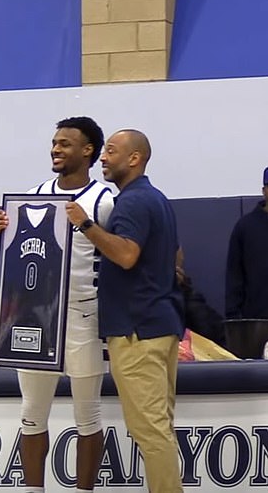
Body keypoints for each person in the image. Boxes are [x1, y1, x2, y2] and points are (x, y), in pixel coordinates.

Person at [0, 116, 114, 493]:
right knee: (31, 414)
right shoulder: (33, 194)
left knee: (88, 416)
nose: (55, 149)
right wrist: (7, 230)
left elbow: (120, 255)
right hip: (36, 316)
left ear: (87, 150)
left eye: (65, 143)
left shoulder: (106, 200)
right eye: (54, 142)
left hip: (83, 313)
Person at [65, 129, 184, 493]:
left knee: (149, 431)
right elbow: (177, 256)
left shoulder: (131, 202)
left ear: (134, 158)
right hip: (160, 324)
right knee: (159, 427)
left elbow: (127, 255)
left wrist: (85, 224)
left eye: (111, 152)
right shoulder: (157, 199)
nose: (102, 157)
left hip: (137, 331)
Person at [225, 166, 268, 319]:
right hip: (257, 321)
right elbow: (234, 276)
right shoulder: (245, 227)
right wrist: (234, 318)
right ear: (264, 190)